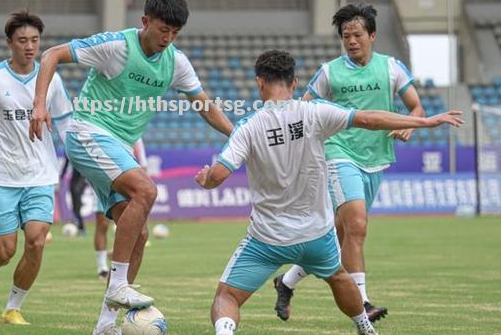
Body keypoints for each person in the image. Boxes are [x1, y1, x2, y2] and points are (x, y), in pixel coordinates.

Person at [195, 50, 463, 335]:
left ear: (260, 83)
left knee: (227, 296)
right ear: (295, 82)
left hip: (268, 237)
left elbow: (220, 174)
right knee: (337, 276)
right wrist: (425, 121)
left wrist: (206, 178)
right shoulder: (316, 112)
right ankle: (364, 327)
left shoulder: (249, 126)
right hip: (317, 235)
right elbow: (370, 119)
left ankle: (225, 332)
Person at [30, 0, 234, 335]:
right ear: (145, 21)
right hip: (87, 132)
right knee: (146, 190)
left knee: (137, 234)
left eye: (175, 32)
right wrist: (39, 105)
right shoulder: (116, 47)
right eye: (162, 30)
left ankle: (106, 326)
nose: (168, 38)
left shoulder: (176, 63)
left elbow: (203, 105)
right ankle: (120, 284)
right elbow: (51, 55)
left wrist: (238, 136)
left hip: (120, 147)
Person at [279, 2, 426, 323]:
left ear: (372, 35)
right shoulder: (330, 71)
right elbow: (302, 110)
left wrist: (408, 123)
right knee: (357, 225)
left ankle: (286, 281)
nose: (351, 41)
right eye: (346, 36)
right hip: (338, 154)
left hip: (376, 159)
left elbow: (416, 107)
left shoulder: (392, 68)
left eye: (357, 34)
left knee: (339, 234)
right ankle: (363, 303)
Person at [0, 10, 73, 325]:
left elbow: (66, 121)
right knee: (5, 250)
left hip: (40, 175)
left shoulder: (51, 78)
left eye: (35, 40)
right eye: (22, 40)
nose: (30, 46)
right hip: (1, 176)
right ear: (9, 43)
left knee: (37, 241)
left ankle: (13, 307)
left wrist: (79, 158)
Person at [94, 138, 147, 280]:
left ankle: (120, 288)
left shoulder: (129, 121)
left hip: (127, 167)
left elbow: (137, 138)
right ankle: (101, 267)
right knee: (102, 223)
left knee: (140, 233)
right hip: (104, 165)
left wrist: (143, 162)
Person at [60, 158, 87, 235]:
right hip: (73, 180)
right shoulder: (69, 148)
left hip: (81, 179)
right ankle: (79, 225)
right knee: (75, 206)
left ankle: (81, 227)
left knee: (77, 205)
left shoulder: (83, 150)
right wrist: (61, 177)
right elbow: (66, 164)